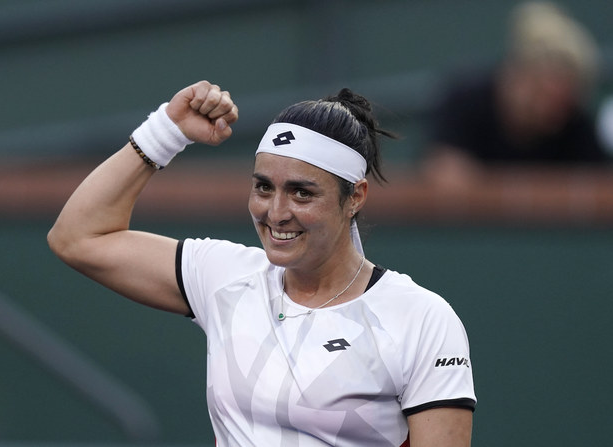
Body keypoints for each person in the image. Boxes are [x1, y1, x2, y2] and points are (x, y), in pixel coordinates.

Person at [48, 80, 476, 446]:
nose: (276, 212)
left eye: (302, 193)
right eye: (264, 187)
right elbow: (77, 237)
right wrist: (167, 131)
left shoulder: (422, 319)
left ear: (356, 197)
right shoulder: (224, 276)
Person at [422, 1, 609, 190]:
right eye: (543, 88)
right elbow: (443, 173)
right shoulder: (465, 99)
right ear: (519, 73)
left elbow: (599, 187)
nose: (553, 106)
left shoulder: (576, 126)